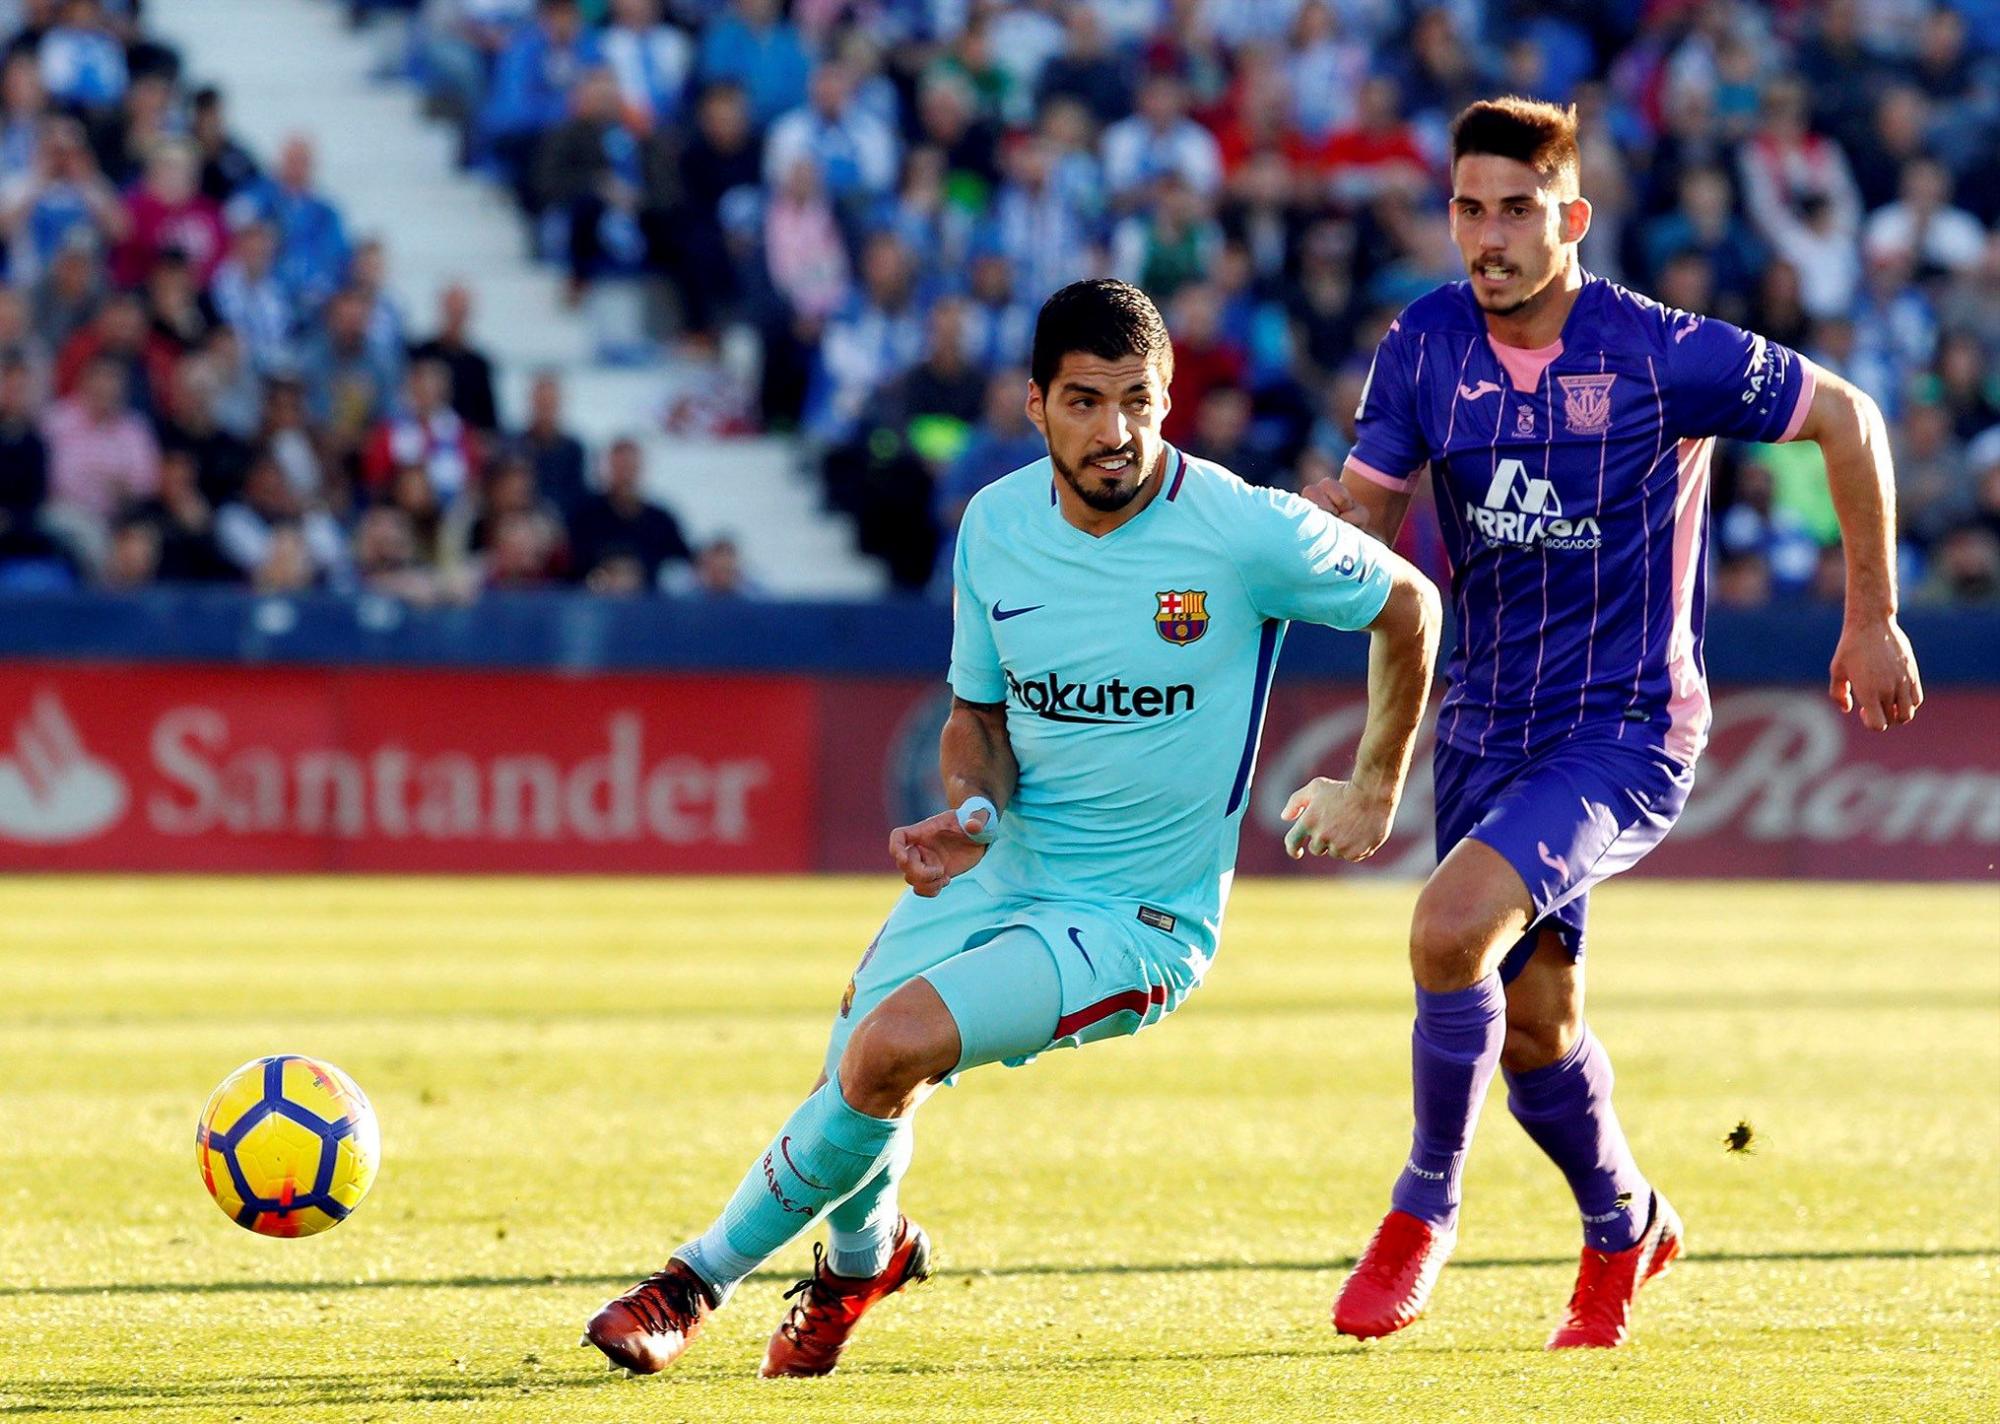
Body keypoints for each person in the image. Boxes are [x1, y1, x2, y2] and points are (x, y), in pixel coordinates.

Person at [582, 277, 1441, 1378]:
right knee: (860, 1061)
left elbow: (1409, 603)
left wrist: (1373, 785)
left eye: (1138, 399)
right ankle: (864, 1259)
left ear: (1168, 398)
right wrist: (973, 810)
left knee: (890, 1047)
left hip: (1135, 917)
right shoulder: (993, 524)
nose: (1115, 431)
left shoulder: (1241, 526)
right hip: (1008, 868)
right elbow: (978, 715)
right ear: (1032, 403)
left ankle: (685, 1285)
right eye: (1083, 401)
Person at [1306, 97, 1924, 1352]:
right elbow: (1362, 530)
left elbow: (1847, 419)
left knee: (1444, 931)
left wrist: (1871, 616)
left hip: (1623, 727)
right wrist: (1276, 548)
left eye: (1514, 210)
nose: (1486, 235)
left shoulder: (1655, 350)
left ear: (1569, 219)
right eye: (1467, 209)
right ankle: (1623, 1221)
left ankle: (1421, 1210)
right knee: (1534, 1027)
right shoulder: (1420, 346)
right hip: (1483, 724)